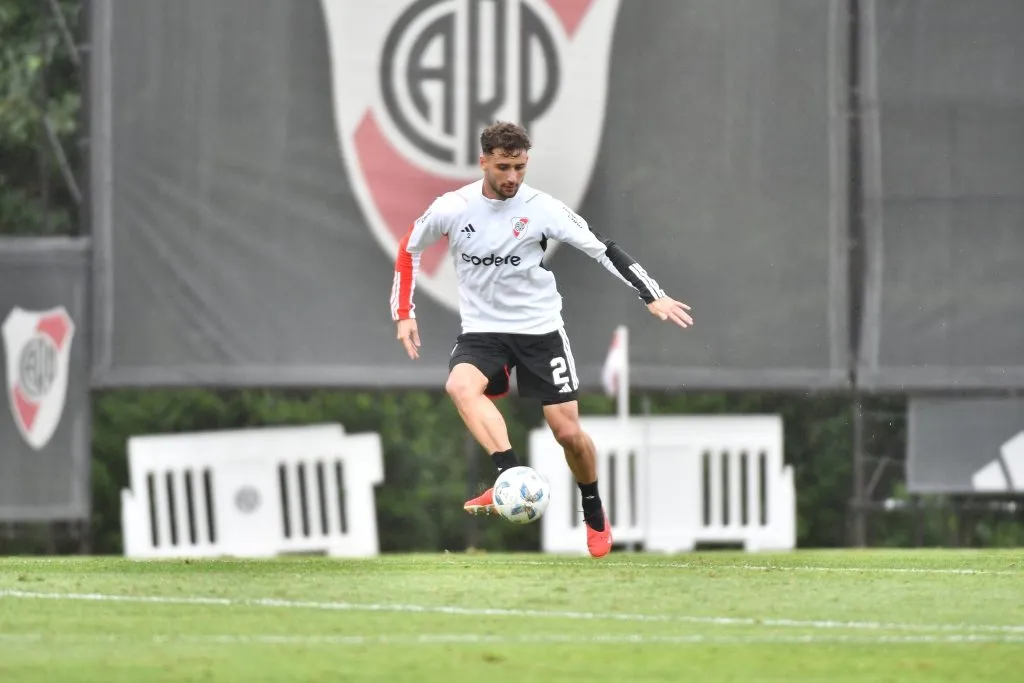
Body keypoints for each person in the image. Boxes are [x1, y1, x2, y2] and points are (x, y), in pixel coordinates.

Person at [391, 121, 692, 558]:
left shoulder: (543, 208)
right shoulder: (452, 208)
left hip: (539, 332)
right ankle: (509, 479)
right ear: (483, 163)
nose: (512, 177)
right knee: (459, 386)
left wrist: (652, 294)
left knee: (566, 432)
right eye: (503, 167)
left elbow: (602, 249)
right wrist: (404, 313)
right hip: (484, 332)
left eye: (520, 167)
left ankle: (593, 509)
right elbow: (408, 247)